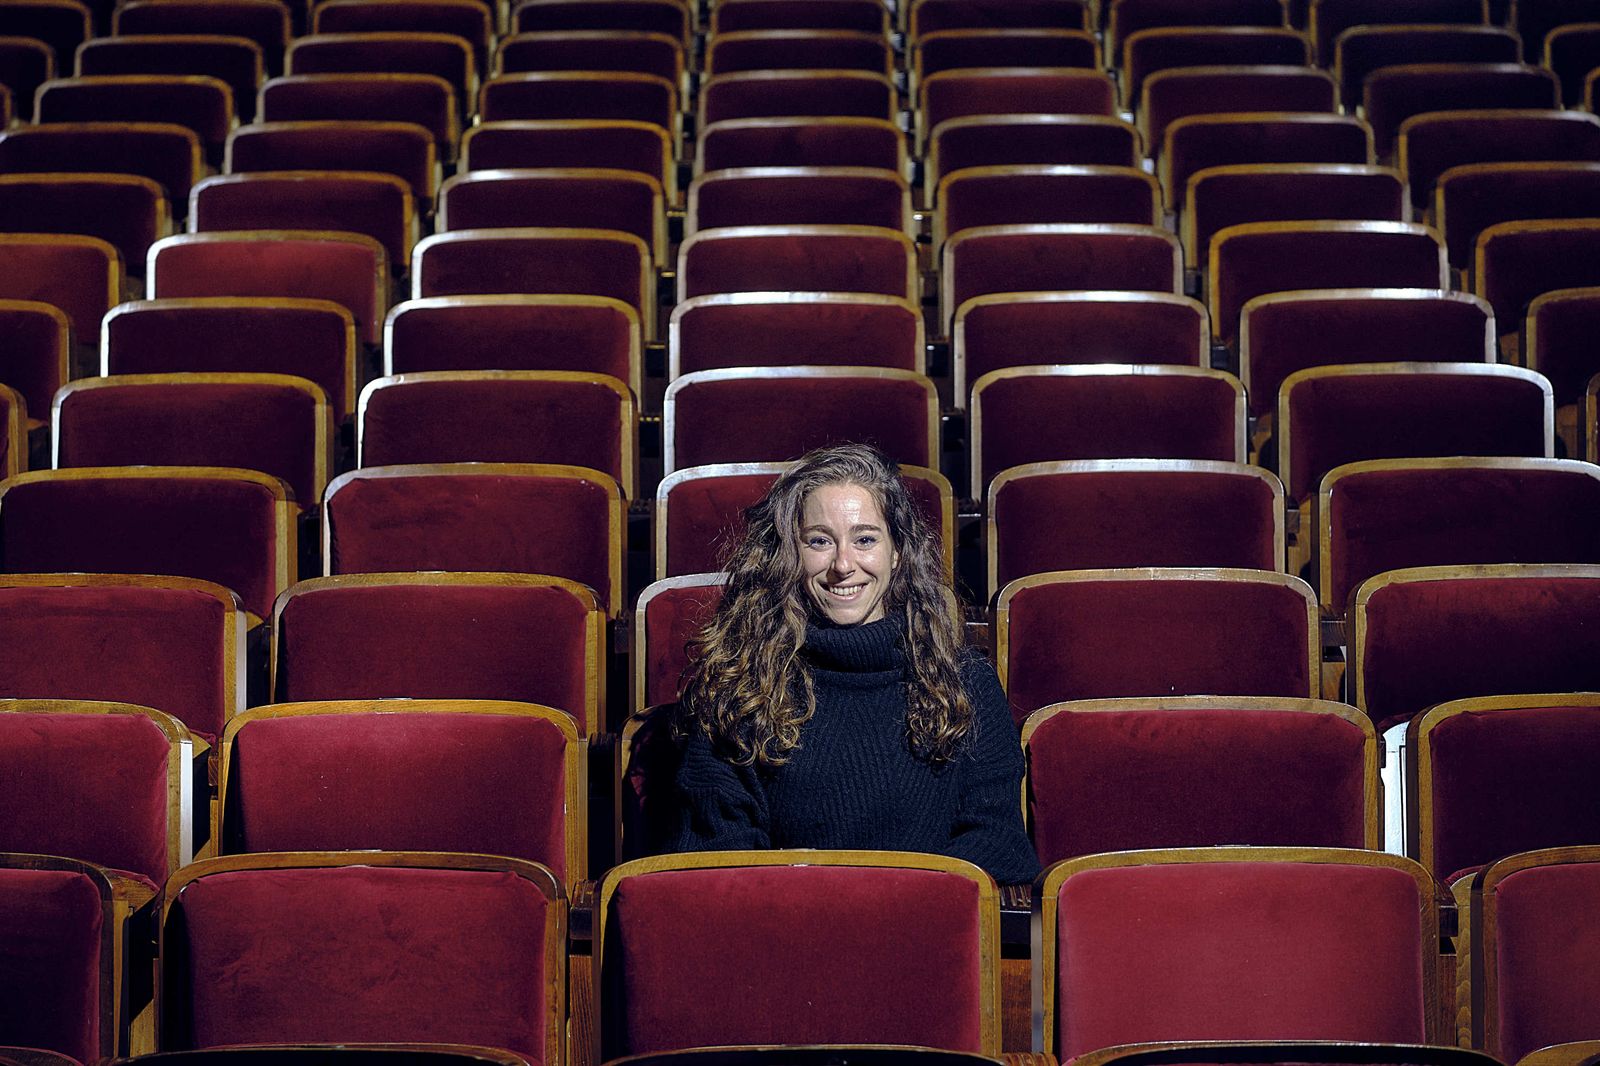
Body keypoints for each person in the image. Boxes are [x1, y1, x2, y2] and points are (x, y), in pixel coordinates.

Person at [666, 443, 1040, 885]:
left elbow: (997, 841)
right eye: (819, 541)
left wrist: (894, 905)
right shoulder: (738, 684)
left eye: (865, 539)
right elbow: (718, 857)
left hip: (927, 923)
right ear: (788, 553)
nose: (843, 565)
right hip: (782, 921)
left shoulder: (966, 682)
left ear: (897, 552)